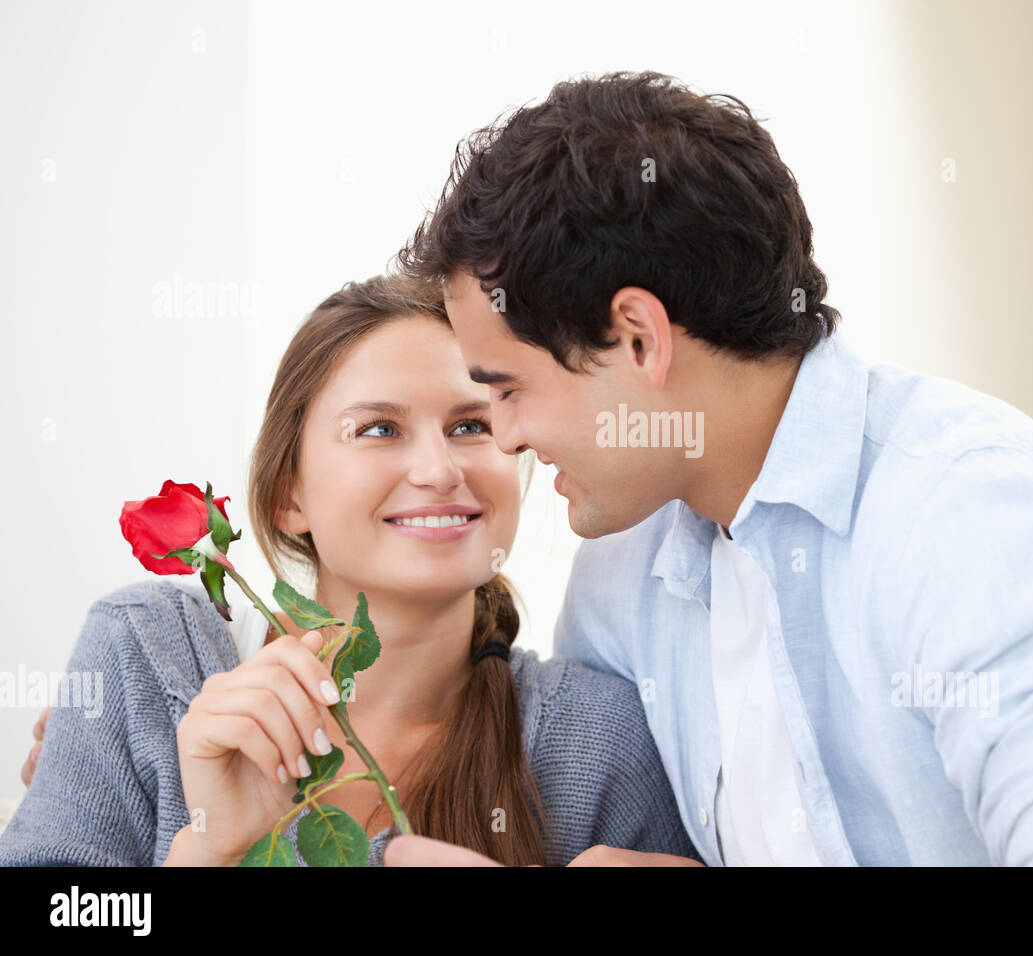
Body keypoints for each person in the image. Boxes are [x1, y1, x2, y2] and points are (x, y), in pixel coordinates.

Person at [384, 70, 1033, 866]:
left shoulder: (973, 511)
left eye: (510, 390)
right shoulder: (620, 580)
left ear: (639, 338)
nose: (502, 438)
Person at [1, 275, 702, 867]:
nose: (439, 470)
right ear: (288, 497)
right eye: (378, 429)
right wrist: (207, 850)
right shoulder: (147, 660)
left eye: (470, 425)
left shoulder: (594, 738)